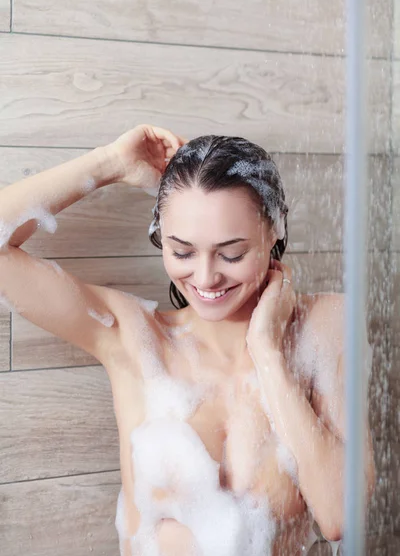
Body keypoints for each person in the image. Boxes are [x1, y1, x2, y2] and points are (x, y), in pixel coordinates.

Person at [0, 124, 376, 556]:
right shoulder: (137, 339)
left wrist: (269, 353)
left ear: (273, 232)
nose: (205, 277)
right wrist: (110, 164)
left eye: (231, 254)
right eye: (181, 252)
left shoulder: (325, 326)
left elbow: (342, 518)